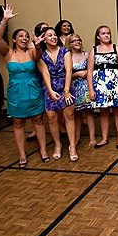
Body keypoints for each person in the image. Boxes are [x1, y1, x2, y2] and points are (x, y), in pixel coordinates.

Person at [0, 5, 48, 166]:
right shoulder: (8, 53)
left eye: (26, 36)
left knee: (38, 120)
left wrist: (38, 44)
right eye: (21, 36)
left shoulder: (32, 52)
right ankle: (22, 155)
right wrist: (5, 20)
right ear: (14, 39)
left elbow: (39, 54)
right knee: (18, 124)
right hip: (16, 93)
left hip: (33, 91)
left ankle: (43, 150)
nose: (24, 38)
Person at [37, 28, 78, 161]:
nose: (54, 37)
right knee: (52, 118)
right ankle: (57, 145)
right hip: (50, 87)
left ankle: (72, 146)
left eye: (54, 34)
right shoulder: (41, 55)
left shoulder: (65, 51)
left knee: (69, 116)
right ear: (44, 39)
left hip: (65, 84)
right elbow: (45, 73)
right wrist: (50, 91)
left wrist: (66, 91)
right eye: (50, 35)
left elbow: (69, 70)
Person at [87, 25, 118, 148]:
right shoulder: (94, 50)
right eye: (103, 33)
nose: (106, 35)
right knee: (103, 112)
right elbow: (89, 71)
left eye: (108, 33)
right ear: (98, 36)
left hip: (115, 83)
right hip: (100, 85)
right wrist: (91, 90)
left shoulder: (117, 48)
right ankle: (104, 138)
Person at [67, 34, 96, 148]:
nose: (77, 42)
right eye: (74, 41)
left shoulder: (86, 54)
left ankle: (92, 137)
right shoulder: (68, 56)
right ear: (69, 44)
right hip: (74, 87)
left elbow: (92, 69)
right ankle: (76, 138)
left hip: (86, 86)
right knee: (76, 114)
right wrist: (77, 74)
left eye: (79, 40)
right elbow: (66, 74)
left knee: (89, 112)